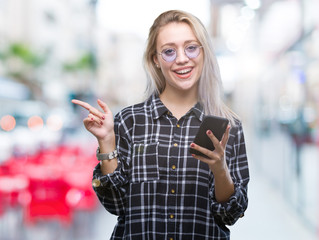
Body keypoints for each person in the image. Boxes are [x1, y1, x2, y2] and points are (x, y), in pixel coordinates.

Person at [72, 9, 249, 240]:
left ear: (204, 52)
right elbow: (116, 204)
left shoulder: (228, 126)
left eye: (191, 47)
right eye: (169, 51)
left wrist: (219, 169)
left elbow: (231, 214)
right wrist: (106, 142)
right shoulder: (130, 121)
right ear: (155, 59)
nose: (182, 58)